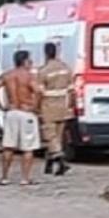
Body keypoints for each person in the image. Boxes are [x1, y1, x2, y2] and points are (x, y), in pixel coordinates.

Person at [0, 50, 41, 186]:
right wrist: (34, 107)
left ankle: (5, 177)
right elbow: (38, 91)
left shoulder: (7, 75)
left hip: (11, 112)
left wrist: (0, 104)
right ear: (24, 61)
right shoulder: (29, 76)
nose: (31, 63)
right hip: (26, 112)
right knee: (28, 147)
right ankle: (25, 178)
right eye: (29, 60)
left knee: (8, 146)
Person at [37, 42, 75, 176]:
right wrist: (70, 106)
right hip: (63, 105)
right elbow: (71, 90)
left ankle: (61, 161)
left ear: (45, 53)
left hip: (48, 106)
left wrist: (37, 107)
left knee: (50, 136)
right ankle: (49, 165)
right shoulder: (66, 68)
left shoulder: (43, 71)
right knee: (58, 136)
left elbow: (39, 92)